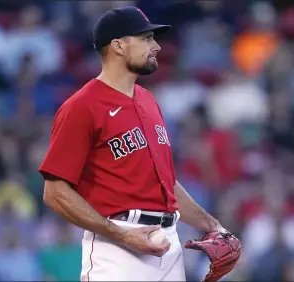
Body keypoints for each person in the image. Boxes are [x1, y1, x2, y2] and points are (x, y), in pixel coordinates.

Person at [39, 6, 224, 281]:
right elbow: (54, 193)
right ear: (118, 46)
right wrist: (122, 235)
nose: (157, 46)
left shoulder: (148, 100)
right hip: (117, 248)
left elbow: (166, 184)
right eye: (146, 38)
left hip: (168, 243)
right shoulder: (81, 106)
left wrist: (213, 226)